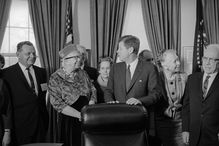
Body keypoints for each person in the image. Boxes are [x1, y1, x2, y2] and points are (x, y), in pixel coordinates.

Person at [104, 35, 161, 143]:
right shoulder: (115, 68)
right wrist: (109, 101)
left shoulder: (149, 68)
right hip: (116, 119)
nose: (117, 51)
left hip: (139, 122)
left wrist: (140, 101)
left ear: (130, 50)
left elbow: (156, 93)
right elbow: (108, 91)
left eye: (120, 48)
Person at [48, 44, 97, 146]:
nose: (80, 60)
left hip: (88, 116)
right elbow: (57, 104)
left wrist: (91, 104)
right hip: (69, 120)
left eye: (79, 57)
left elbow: (93, 89)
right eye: (76, 57)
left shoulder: (83, 73)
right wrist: (79, 115)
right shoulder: (55, 77)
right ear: (65, 60)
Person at [2, 41, 48, 145]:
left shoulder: (42, 72)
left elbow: (42, 96)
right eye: (28, 54)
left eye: (34, 53)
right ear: (18, 55)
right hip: (19, 127)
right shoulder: (6, 74)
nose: (32, 56)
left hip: (40, 125)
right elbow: (5, 105)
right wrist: (7, 131)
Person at [182, 44, 219, 146]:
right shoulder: (191, 79)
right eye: (205, 58)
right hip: (193, 134)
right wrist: (185, 129)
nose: (207, 63)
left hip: (214, 136)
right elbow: (186, 107)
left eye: (211, 59)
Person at [155, 50, 187, 146]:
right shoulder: (155, 78)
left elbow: (188, 101)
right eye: (175, 61)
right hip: (162, 124)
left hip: (181, 123)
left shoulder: (184, 77)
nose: (179, 63)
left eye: (178, 60)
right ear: (164, 64)